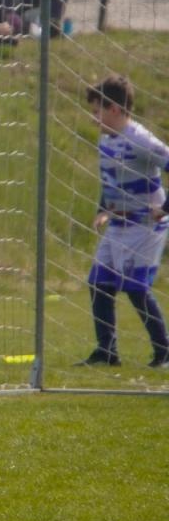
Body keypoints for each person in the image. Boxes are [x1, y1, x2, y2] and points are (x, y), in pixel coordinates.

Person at [79, 75, 169, 368]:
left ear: (114, 109)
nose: (93, 118)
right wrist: (103, 209)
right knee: (99, 282)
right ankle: (107, 351)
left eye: (97, 111)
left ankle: (164, 352)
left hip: (146, 225)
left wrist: (164, 208)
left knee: (134, 287)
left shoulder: (141, 140)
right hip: (119, 224)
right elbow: (112, 180)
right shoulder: (107, 139)